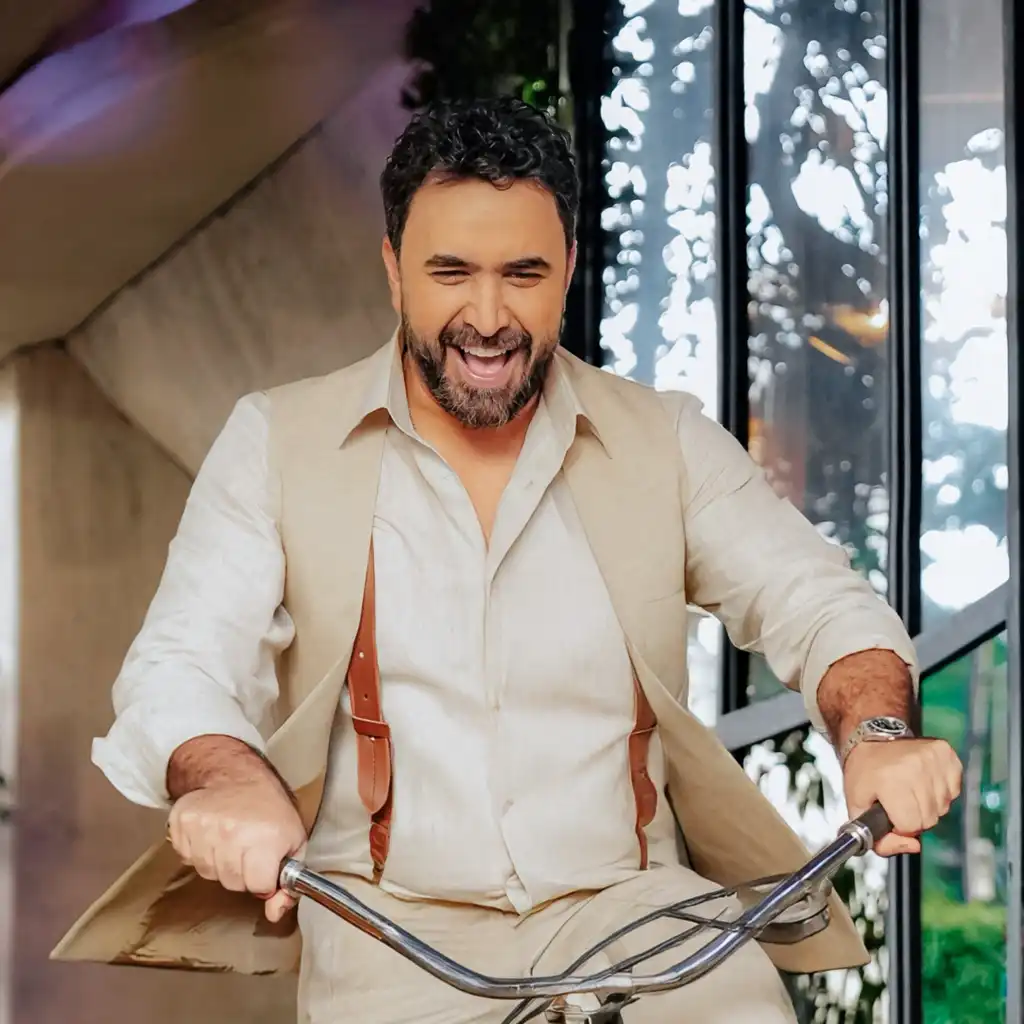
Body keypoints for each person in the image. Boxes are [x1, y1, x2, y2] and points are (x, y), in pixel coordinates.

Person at [55, 98, 961, 1022]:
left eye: (523, 274)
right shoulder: (276, 443)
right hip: (388, 934)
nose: (487, 319)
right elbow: (181, 665)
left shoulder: (666, 441)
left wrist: (879, 735)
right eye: (450, 272)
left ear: (567, 268)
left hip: (635, 915)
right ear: (393, 270)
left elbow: (816, 601)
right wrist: (229, 779)